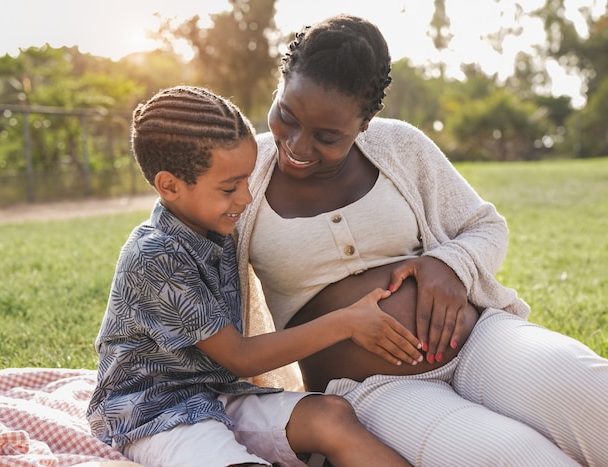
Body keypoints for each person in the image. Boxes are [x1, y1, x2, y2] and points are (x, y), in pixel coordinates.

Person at [236, 14, 608, 466]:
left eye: (327, 136)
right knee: (518, 456)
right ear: (280, 86)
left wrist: (449, 263)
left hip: (479, 343)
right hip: (374, 389)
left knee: (593, 394)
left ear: (367, 121)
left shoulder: (402, 147)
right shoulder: (242, 176)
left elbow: (485, 226)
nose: (297, 144)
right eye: (287, 116)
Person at [86, 85, 417, 467]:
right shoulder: (155, 254)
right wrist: (347, 322)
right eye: (229, 187)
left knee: (332, 415)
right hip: (153, 412)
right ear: (169, 186)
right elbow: (241, 357)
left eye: (246, 179)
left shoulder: (218, 228)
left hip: (218, 394)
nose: (245, 197)